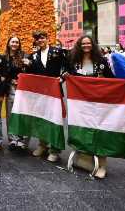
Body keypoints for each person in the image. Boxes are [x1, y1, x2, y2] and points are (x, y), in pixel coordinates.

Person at [66, 35, 113, 179]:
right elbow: (70, 76)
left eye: (88, 43)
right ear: (79, 46)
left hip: (98, 103)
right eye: (83, 43)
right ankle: (84, 161)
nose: (86, 45)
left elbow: (112, 79)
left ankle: (102, 165)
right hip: (80, 104)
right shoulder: (74, 61)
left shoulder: (101, 61)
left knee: (99, 132)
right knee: (82, 130)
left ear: (93, 45)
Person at [26, 30, 66, 162]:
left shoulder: (58, 51)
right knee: (41, 119)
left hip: (55, 92)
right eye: (37, 39)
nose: (40, 41)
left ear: (47, 38)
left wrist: (61, 78)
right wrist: (26, 66)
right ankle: (42, 145)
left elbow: (67, 67)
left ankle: (55, 149)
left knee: (55, 120)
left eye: (42, 38)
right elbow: (30, 74)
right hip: (40, 93)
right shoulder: (33, 56)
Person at [4, 35, 29, 151]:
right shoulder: (4, 57)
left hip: (23, 89)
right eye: (12, 42)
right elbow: (3, 74)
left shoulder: (24, 55)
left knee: (22, 113)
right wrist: (11, 80)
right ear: (9, 43)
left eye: (17, 42)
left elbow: (30, 71)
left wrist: (28, 65)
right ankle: (13, 139)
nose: (14, 44)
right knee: (11, 113)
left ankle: (23, 140)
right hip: (10, 88)